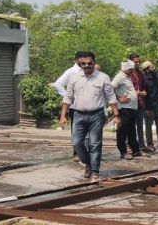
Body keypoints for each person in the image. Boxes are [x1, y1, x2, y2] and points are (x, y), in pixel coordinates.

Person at [60, 52, 121, 181]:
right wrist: (63, 115)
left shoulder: (103, 78)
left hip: (96, 115)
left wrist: (116, 115)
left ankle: (94, 172)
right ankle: (88, 163)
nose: (87, 66)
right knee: (76, 142)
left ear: (94, 63)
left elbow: (111, 97)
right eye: (84, 64)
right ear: (80, 63)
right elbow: (68, 97)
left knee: (95, 144)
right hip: (78, 115)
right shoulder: (74, 78)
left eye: (89, 63)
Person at [55, 51, 89, 162]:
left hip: (88, 105)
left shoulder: (89, 71)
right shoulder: (71, 72)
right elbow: (58, 84)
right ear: (77, 60)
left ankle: (87, 153)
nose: (84, 62)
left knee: (88, 131)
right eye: (82, 59)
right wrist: (68, 97)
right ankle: (77, 153)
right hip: (75, 106)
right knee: (77, 131)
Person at [112, 61, 142, 159]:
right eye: (130, 70)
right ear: (125, 69)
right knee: (122, 131)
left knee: (132, 131)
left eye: (132, 70)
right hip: (124, 109)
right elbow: (110, 88)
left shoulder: (127, 77)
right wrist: (119, 98)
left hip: (131, 108)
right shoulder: (119, 77)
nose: (132, 71)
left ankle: (135, 150)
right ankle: (123, 152)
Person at [127, 53, 148, 151]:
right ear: (130, 62)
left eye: (138, 61)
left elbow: (143, 86)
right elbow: (121, 88)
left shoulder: (140, 73)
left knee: (140, 124)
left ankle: (141, 145)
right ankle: (130, 145)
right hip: (130, 103)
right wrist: (135, 92)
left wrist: (142, 92)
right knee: (130, 125)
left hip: (140, 103)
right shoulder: (126, 73)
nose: (137, 63)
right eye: (136, 61)